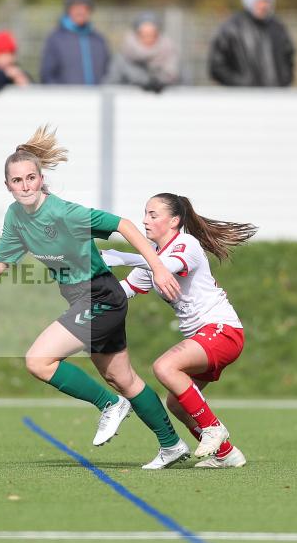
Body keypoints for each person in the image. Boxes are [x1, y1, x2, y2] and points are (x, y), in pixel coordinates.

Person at [0, 126, 190, 470]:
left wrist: (158, 267)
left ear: (41, 180)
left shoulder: (63, 212)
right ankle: (171, 444)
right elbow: (1, 260)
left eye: (31, 178)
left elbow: (123, 224)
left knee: (38, 360)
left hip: (100, 295)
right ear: (8, 185)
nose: (25, 186)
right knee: (123, 379)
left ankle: (109, 405)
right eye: (17, 180)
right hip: (84, 299)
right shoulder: (15, 216)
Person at [102, 194, 257, 468]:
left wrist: (121, 256)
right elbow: (124, 291)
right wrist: (87, 288)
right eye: (145, 213)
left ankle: (213, 428)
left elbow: (166, 266)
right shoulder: (153, 256)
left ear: (174, 221)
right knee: (176, 404)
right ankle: (226, 454)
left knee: (164, 367)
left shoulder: (186, 244)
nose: (144, 220)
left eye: (153, 215)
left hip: (222, 331)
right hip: (204, 338)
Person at [208, 0, 294, 87]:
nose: (263, 5)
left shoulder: (277, 28)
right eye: (259, 0)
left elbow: (288, 59)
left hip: (274, 95)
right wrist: (240, 84)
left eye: (266, 1)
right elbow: (217, 66)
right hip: (243, 96)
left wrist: (283, 82)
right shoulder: (232, 28)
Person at [40, 0, 109, 85]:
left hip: (96, 94)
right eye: (76, 7)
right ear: (68, 10)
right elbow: (47, 75)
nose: (80, 11)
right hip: (66, 94)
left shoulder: (98, 40)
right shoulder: (56, 39)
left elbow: (108, 72)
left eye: (85, 7)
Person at [104, 12, 180, 92]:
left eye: (152, 34)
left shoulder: (171, 55)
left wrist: (162, 84)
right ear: (137, 35)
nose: (148, 39)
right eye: (144, 35)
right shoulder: (122, 59)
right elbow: (110, 85)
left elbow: (181, 84)